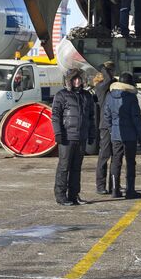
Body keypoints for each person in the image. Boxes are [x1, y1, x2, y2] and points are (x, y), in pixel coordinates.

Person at [51, 69, 94, 205]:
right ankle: (60, 196)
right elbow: (55, 115)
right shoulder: (61, 95)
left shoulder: (87, 96)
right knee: (64, 167)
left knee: (76, 167)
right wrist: (58, 133)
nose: (77, 81)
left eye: (79, 79)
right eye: (74, 79)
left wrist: (91, 134)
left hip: (81, 137)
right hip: (67, 138)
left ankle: (74, 195)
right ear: (69, 81)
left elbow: (91, 117)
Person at [103, 72, 141, 199]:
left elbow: (107, 116)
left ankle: (115, 190)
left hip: (116, 135)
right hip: (130, 135)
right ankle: (130, 191)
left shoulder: (109, 96)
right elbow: (136, 118)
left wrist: (112, 130)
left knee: (116, 162)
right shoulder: (131, 97)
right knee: (130, 162)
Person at [93, 62, 116, 195]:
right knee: (104, 155)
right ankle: (100, 185)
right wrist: (103, 68)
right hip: (106, 126)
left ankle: (114, 184)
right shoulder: (100, 87)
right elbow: (108, 80)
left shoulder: (110, 86)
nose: (112, 73)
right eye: (110, 70)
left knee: (116, 156)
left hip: (114, 125)